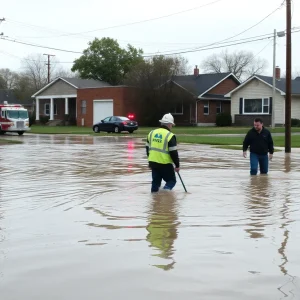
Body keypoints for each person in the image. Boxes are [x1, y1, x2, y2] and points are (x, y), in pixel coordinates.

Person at [146, 113, 180, 193]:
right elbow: (173, 152)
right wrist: (177, 165)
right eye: (171, 125)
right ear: (169, 124)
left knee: (155, 183)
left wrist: (150, 161)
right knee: (172, 181)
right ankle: (165, 195)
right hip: (165, 163)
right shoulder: (170, 135)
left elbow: (147, 149)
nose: (171, 127)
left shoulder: (151, 133)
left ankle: (154, 200)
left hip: (153, 162)